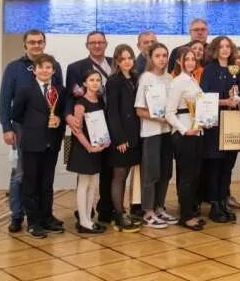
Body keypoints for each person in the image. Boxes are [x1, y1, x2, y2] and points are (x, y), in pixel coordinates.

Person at [0, 29, 63, 234]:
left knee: (44, 176)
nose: (36, 45)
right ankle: (17, 216)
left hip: (49, 130)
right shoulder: (14, 68)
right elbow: (5, 101)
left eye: (40, 42)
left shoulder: (56, 66)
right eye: (32, 42)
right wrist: (7, 128)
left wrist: (58, 118)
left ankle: (45, 215)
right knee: (21, 174)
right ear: (25, 45)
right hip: (23, 129)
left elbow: (57, 100)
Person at [10, 54, 66, 239]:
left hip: (52, 143)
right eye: (41, 67)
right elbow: (16, 114)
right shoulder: (25, 90)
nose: (45, 71)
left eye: (48, 67)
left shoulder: (59, 90)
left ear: (53, 70)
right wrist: (37, 122)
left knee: (47, 183)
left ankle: (46, 217)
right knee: (30, 183)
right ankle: (33, 222)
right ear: (34, 71)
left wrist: (58, 119)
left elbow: (63, 113)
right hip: (32, 143)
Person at [65, 31, 115, 226]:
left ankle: (105, 210)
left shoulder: (114, 63)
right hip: (85, 129)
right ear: (87, 45)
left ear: (106, 44)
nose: (97, 46)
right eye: (93, 43)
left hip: (108, 129)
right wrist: (69, 116)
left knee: (104, 172)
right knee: (85, 176)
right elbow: (71, 96)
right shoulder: (76, 67)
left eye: (100, 42)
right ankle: (84, 215)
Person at [200, 36, 240, 223]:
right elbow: (204, 98)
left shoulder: (236, 71)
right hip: (214, 125)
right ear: (215, 50)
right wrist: (225, 101)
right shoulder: (209, 70)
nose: (225, 49)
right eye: (221, 46)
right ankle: (214, 204)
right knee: (215, 166)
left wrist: (237, 99)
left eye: (228, 46)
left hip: (232, 122)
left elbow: (237, 94)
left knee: (228, 166)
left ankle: (223, 201)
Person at [165, 49, 208, 231]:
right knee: (186, 177)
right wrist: (184, 130)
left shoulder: (193, 80)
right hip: (184, 134)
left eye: (193, 59)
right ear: (179, 61)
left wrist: (204, 123)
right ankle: (186, 216)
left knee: (194, 175)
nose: (190, 62)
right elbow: (169, 113)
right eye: (187, 59)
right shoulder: (178, 82)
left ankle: (190, 210)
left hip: (196, 132)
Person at [135, 42, 176, 229]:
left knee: (166, 172)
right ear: (150, 58)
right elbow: (140, 110)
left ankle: (159, 207)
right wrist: (158, 118)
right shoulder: (146, 78)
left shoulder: (170, 78)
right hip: (151, 132)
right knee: (151, 172)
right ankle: (148, 211)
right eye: (158, 55)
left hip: (168, 132)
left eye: (164, 55)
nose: (162, 59)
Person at [105, 44, 142, 233]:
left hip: (135, 134)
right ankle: (119, 214)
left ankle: (124, 211)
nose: (127, 61)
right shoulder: (114, 81)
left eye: (130, 58)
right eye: (123, 59)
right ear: (117, 62)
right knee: (119, 176)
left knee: (127, 175)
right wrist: (119, 138)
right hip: (121, 137)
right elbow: (112, 112)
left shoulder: (135, 78)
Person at [68, 69, 110, 234]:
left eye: (97, 80)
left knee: (93, 183)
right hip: (83, 148)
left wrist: (103, 142)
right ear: (84, 83)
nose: (95, 83)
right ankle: (83, 221)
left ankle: (88, 219)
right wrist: (88, 147)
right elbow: (76, 130)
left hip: (96, 147)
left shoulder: (99, 100)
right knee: (84, 183)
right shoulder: (80, 103)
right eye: (91, 80)